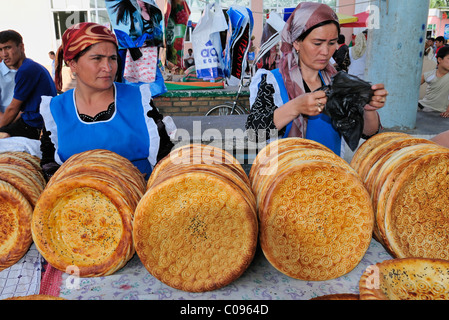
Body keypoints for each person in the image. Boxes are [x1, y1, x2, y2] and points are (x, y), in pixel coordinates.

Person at [245, 2, 387, 157]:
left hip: (330, 173)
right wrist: (295, 107)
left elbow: (368, 133)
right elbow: (254, 133)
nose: (325, 51)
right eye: (317, 43)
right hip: (287, 176)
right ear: (297, 42)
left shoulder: (338, 82)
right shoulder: (273, 82)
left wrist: (367, 109)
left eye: (332, 43)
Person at [40, 22, 173, 179]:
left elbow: (165, 156)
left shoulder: (138, 100)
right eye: (97, 58)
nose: (108, 67)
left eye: (113, 58)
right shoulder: (56, 109)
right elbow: (49, 165)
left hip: (139, 197)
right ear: (73, 64)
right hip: (79, 199)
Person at [0, 29, 57, 140]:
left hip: (34, 126)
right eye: (0, 49)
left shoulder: (26, 70)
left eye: (8, 47)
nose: (4, 54)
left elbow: (13, 109)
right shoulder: (30, 65)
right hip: (33, 121)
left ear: (21, 47)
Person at [419, 46, 449, 118]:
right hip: (422, 105)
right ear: (439, 59)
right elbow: (412, 86)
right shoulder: (429, 74)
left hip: (437, 111)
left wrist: (448, 111)